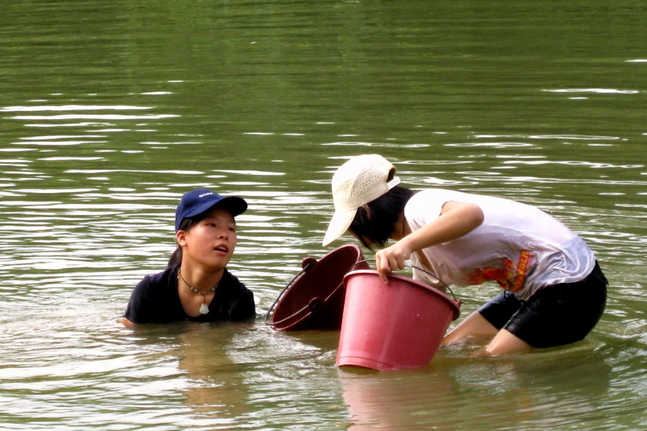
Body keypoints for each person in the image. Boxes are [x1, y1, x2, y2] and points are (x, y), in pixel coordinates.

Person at [322, 154, 607, 356]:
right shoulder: (421, 255)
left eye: (351, 226)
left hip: (571, 286)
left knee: (486, 361)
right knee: (444, 349)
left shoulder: (420, 205)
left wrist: (402, 247)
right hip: (527, 291)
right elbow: (420, 310)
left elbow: (470, 214)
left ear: (366, 215)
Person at [122, 188, 256, 326]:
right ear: (182, 237)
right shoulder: (152, 291)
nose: (224, 234)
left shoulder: (240, 298)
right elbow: (130, 338)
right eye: (212, 225)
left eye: (231, 228)